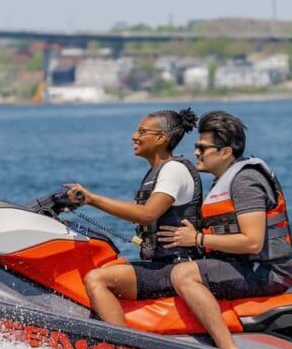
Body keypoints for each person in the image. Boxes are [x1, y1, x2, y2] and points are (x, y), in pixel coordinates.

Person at [157, 111, 292, 349]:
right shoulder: (223, 180)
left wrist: (198, 238)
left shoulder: (245, 182)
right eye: (196, 147)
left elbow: (253, 242)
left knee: (184, 275)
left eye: (203, 148)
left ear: (225, 152)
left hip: (267, 271)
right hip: (244, 265)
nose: (196, 153)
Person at [66, 108, 203, 326]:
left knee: (96, 279)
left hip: (175, 268)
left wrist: (92, 200)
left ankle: (123, 345)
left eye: (142, 132)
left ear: (160, 138)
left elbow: (147, 215)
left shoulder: (173, 170)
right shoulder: (157, 172)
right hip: (160, 263)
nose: (134, 136)